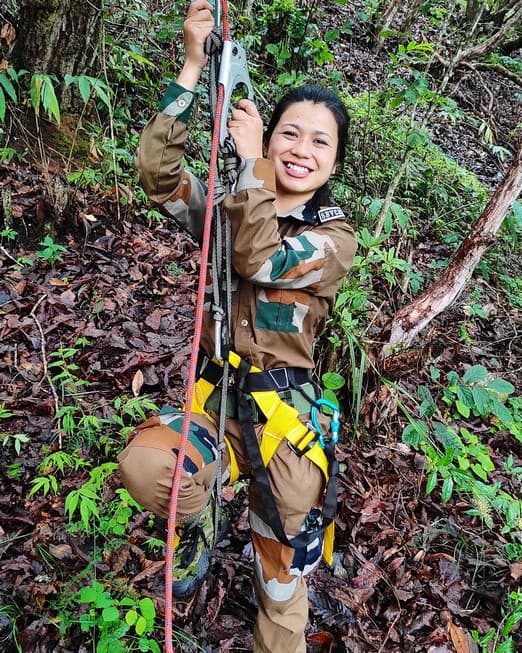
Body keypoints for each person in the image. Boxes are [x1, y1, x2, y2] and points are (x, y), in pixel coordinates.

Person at [118, 2, 357, 651]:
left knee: (279, 585)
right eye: (289, 133)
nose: (300, 149)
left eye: (319, 140)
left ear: (334, 162)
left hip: (285, 431)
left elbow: (257, 256)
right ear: (266, 131)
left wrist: (251, 163)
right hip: (219, 405)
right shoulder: (230, 208)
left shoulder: (334, 240)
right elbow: (157, 174)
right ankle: (198, 520)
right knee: (146, 466)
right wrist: (194, 65)